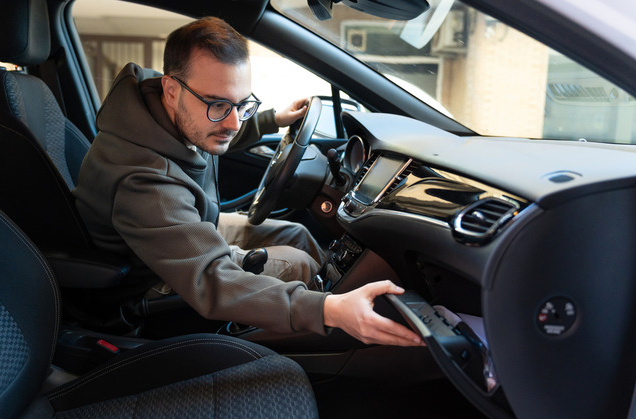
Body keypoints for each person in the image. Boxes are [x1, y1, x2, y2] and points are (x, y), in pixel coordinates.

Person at [74, 16, 423, 346]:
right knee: (298, 263)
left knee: (297, 233)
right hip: (150, 276)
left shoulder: (166, 107)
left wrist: (272, 120)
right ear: (171, 90)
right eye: (218, 105)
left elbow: (213, 134)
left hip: (180, 227)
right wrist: (325, 310)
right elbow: (211, 279)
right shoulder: (143, 180)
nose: (234, 123)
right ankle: (333, 334)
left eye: (243, 105)